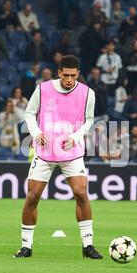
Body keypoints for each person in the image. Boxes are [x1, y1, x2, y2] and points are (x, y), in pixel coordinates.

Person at [14, 55, 102, 259]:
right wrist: (35, 133)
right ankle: (26, 246)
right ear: (59, 73)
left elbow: (89, 120)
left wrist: (76, 136)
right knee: (32, 196)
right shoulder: (43, 89)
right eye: (66, 75)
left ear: (78, 73)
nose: (69, 79)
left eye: (73, 75)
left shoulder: (88, 93)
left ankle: (88, 245)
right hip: (45, 152)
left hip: (72, 152)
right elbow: (29, 113)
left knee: (81, 193)